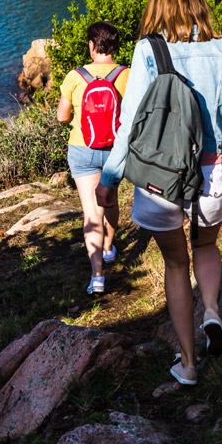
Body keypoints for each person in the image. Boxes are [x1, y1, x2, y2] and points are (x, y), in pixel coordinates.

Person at [96, 0, 222, 385]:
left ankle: (187, 364)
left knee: (174, 262)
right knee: (206, 247)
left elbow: (130, 121)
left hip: (160, 179)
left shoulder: (148, 50)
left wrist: (110, 178)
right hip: (211, 174)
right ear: (198, 1)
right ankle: (214, 314)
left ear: (158, 3)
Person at [57, 21, 129, 295]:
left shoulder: (75, 76)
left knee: (91, 213)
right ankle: (109, 247)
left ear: (91, 46)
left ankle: (97, 277)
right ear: (115, 46)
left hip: (82, 149)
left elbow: (62, 117)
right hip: (115, 149)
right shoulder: (127, 74)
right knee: (109, 199)